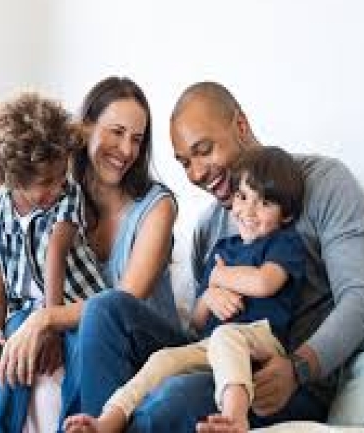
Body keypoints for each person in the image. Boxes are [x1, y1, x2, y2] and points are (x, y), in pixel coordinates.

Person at [71, 81, 364, 432]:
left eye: (203, 150)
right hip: (216, 356)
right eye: (185, 163)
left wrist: (299, 368)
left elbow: (362, 298)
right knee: (105, 309)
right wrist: (208, 297)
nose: (196, 173)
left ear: (241, 126)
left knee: (174, 398)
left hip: (282, 375)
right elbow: (199, 329)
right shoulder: (209, 227)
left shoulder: (325, 183)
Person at [0, 76, 180, 432]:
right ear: (85, 128)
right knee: (20, 339)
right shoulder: (58, 194)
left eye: (137, 139)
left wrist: (45, 319)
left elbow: (121, 304)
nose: (127, 150)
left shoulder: (155, 206)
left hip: (144, 340)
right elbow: (8, 282)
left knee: (94, 323)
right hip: (83, 326)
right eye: (117, 132)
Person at [65, 146, 306, 433]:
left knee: (227, 336)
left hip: (261, 342)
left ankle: (234, 418)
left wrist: (220, 276)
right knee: (163, 359)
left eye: (264, 203)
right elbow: (197, 320)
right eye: (243, 197)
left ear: (286, 215)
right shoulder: (224, 248)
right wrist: (210, 295)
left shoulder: (283, 242)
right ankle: (107, 420)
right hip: (211, 345)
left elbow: (265, 282)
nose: (249, 211)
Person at [0, 91, 109, 433]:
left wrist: (50, 325)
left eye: (61, 175)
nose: (58, 186)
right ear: (13, 179)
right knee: (11, 344)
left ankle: (74, 427)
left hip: (78, 307)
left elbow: (55, 252)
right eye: (46, 182)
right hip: (28, 313)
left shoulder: (68, 195)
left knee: (84, 349)